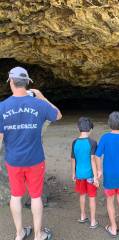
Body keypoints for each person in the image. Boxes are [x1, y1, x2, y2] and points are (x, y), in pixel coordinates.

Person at [0, 66, 62, 240]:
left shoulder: (2, 107)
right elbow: (58, 115)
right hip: (35, 160)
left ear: (11, 82)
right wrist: (41, 96)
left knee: (15, 196)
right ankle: (38, 234)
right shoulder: (39, 104)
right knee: (36, 197)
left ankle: (19, 233)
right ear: (27, 83)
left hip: (13, 161)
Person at [71, 117, 99, 229]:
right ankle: (93, 221)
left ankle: (83, 216)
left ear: (78, 128)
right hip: (90, 176)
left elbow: (73, 159)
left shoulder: (74, 142)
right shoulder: (92, 142)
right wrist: (96, 177)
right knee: (92, 197)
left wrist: (73, 173)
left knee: (82, 195)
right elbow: (93, 159)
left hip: (79, 174)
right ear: (91, 129)